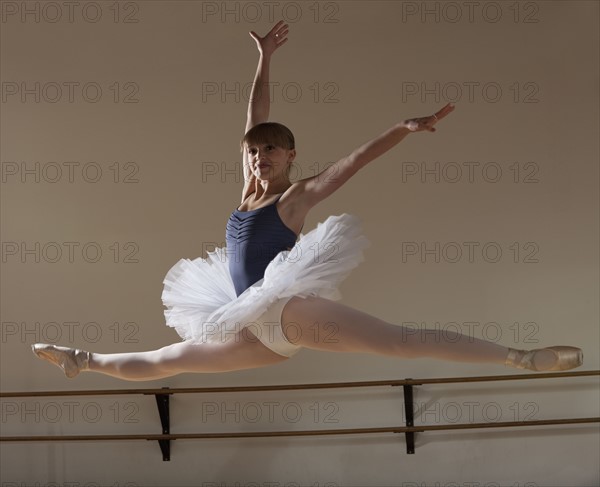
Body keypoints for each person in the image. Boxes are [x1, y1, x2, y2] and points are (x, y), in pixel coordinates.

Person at [32, 21, 583, 380]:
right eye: (254, 153)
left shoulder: (294, 197)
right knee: (166, 360)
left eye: (271, 151)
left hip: (287, 312)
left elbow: (353, 163)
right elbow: (254, 117)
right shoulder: (245, 190)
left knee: (395, 343)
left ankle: (519, 357)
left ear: (290, 156)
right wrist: (265, 57)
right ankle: (83, 359)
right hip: (251, 328)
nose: (259, 158)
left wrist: (402, 128)